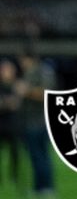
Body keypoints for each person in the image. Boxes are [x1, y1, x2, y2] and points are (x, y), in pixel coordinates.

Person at [17, 49, 56, 197]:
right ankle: (39, 187)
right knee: (37, 157)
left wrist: (26, 91)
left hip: (38, 121)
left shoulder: (39, 72)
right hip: (32, 121)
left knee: (40, 156)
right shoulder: (31, 73)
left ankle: (46, 187)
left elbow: (47, 94)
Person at [0, 59, 22, 192]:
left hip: (13, 124)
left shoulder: (17, 85)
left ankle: (14, 175)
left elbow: (17, 104)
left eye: (8, 69)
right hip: (1, 124)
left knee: (15, 152)